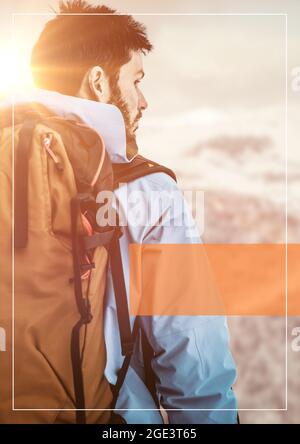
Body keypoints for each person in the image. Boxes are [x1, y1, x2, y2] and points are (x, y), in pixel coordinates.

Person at [29, 0, 238, 423]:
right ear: (99, 84)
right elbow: (191, 353)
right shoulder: (149, 191)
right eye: (136, 80)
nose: (143, 102)